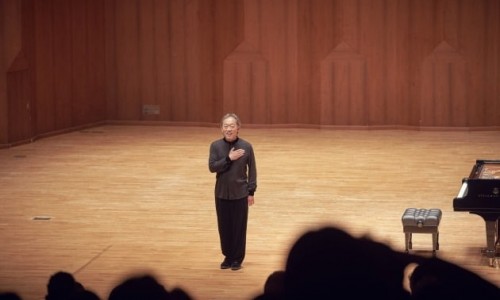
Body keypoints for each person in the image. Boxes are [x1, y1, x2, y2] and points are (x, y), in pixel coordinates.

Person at [209, 113, 257, 271]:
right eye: (225, 126)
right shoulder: (215, 146)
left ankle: (237, 258)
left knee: (238, 227)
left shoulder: (247, 146)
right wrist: (228, 158)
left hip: (240, 194)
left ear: (238, 128)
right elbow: (212, 167)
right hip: (221, 193)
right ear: (221, 129)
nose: (228, 129)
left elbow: (252, 171)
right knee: (224, 226)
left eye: (232, 126)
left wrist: (251, 192)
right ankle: (228, 256)